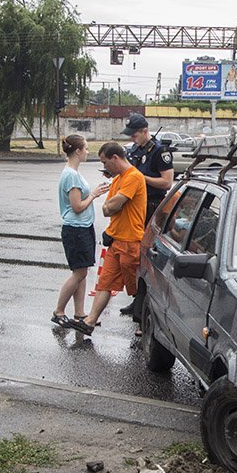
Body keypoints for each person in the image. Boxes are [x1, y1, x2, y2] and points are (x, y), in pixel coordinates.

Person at [67, 142, 147, 336]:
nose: (104, 167)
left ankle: (144, 324)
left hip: (131, 241)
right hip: (115, 240)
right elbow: (106, 209)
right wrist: (113, 205)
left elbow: (113, 205)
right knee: (105, 283)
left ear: (115, 158)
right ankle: (90, 322)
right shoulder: (119, 179)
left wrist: (113, 205)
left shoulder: (134, 177)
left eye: (105, 162)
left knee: (136, 288)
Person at [119, 113, 174, 317]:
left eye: (134, 135)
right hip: (136, 207)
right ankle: (137, 298)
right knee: (135, 254)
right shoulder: (135, 150)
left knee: (148, 254)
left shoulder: (160, 151)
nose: (132, 139)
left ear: (145, 131)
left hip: (152, 206)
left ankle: (147, 301)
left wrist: (141, 178)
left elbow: (167, 182)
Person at [51, 134, 101, 329]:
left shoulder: (74, 172)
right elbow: (77, 206)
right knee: (78, 273)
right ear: (78, 151)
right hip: (76, 229)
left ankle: (79, 313)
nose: (88, 151)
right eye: (86, 148)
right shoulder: (71, 175)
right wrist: (94, 195)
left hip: (83, 227)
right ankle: (58, 311)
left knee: (82, 272)